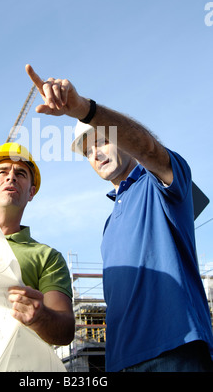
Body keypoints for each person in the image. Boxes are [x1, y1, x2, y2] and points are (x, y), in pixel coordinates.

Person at [25, 64, 213, 372]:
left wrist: (84, 110)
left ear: (121, 141)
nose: (95, 153)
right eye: (87, 151)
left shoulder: (159, 185)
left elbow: (148, 147)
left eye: (101, 140)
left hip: (174, 351)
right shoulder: (109, 225)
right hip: (121, 362)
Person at [0, 142, 75, 346]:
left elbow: (66, 330)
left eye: (21, 174)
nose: (11, 176)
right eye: (3, 171)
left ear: (31, 193)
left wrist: (41, 317)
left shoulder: (47, 257)